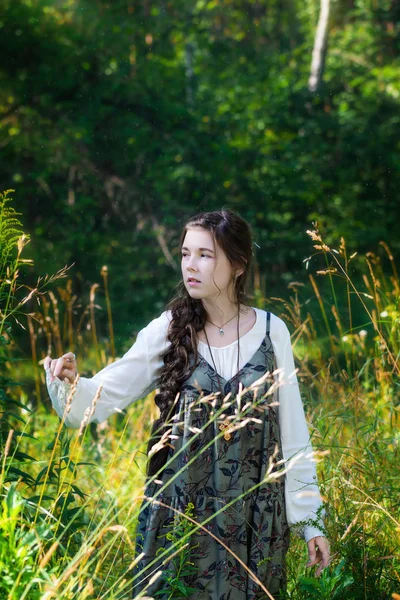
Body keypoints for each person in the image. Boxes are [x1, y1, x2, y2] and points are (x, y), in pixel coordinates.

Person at [44, 209, 330, 600]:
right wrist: (70, 382)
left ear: (239, 264)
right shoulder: (168, 329)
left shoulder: (271, 330)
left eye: (205, 255)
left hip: (254, 527)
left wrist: (310, 522)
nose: (189, 266)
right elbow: (100, 398)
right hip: (179, 522)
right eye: (184, 254)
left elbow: (294, 435)